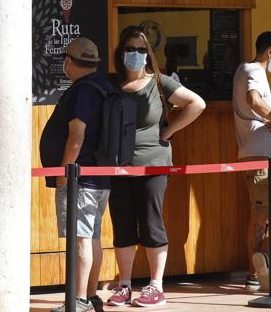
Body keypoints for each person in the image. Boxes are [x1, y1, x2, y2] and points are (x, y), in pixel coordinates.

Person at [106, 27, 206, 308]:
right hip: (117, 166)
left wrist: (168, 132)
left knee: (151, 223)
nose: (135, 55)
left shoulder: (159, 83)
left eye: (141, 50)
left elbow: (197, 104)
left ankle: (156, 286)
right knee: (122, 224)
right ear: (120, 53)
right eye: (129, 49)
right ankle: (124, 285)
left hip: (152, 165)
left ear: (148, 54)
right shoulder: (111, 84)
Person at [37, 38, 113, 312]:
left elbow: (76, 137)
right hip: (98, 176)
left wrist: (65, 174)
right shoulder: (103, 87)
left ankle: (78, 300)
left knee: (80, 238)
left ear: (68, 62)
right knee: (91, 237)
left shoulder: (83, 92)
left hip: (79, 178)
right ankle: (90, 296)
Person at [232, 31, 271, 294]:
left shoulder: (245, 70)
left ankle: (259, 270)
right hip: (261, 156)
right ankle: (259, 267)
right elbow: (253, 100)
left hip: (256, 154)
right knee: (269, 214)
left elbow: (255, 100)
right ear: (270, 52)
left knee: (269, 213)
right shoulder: (255, 70)